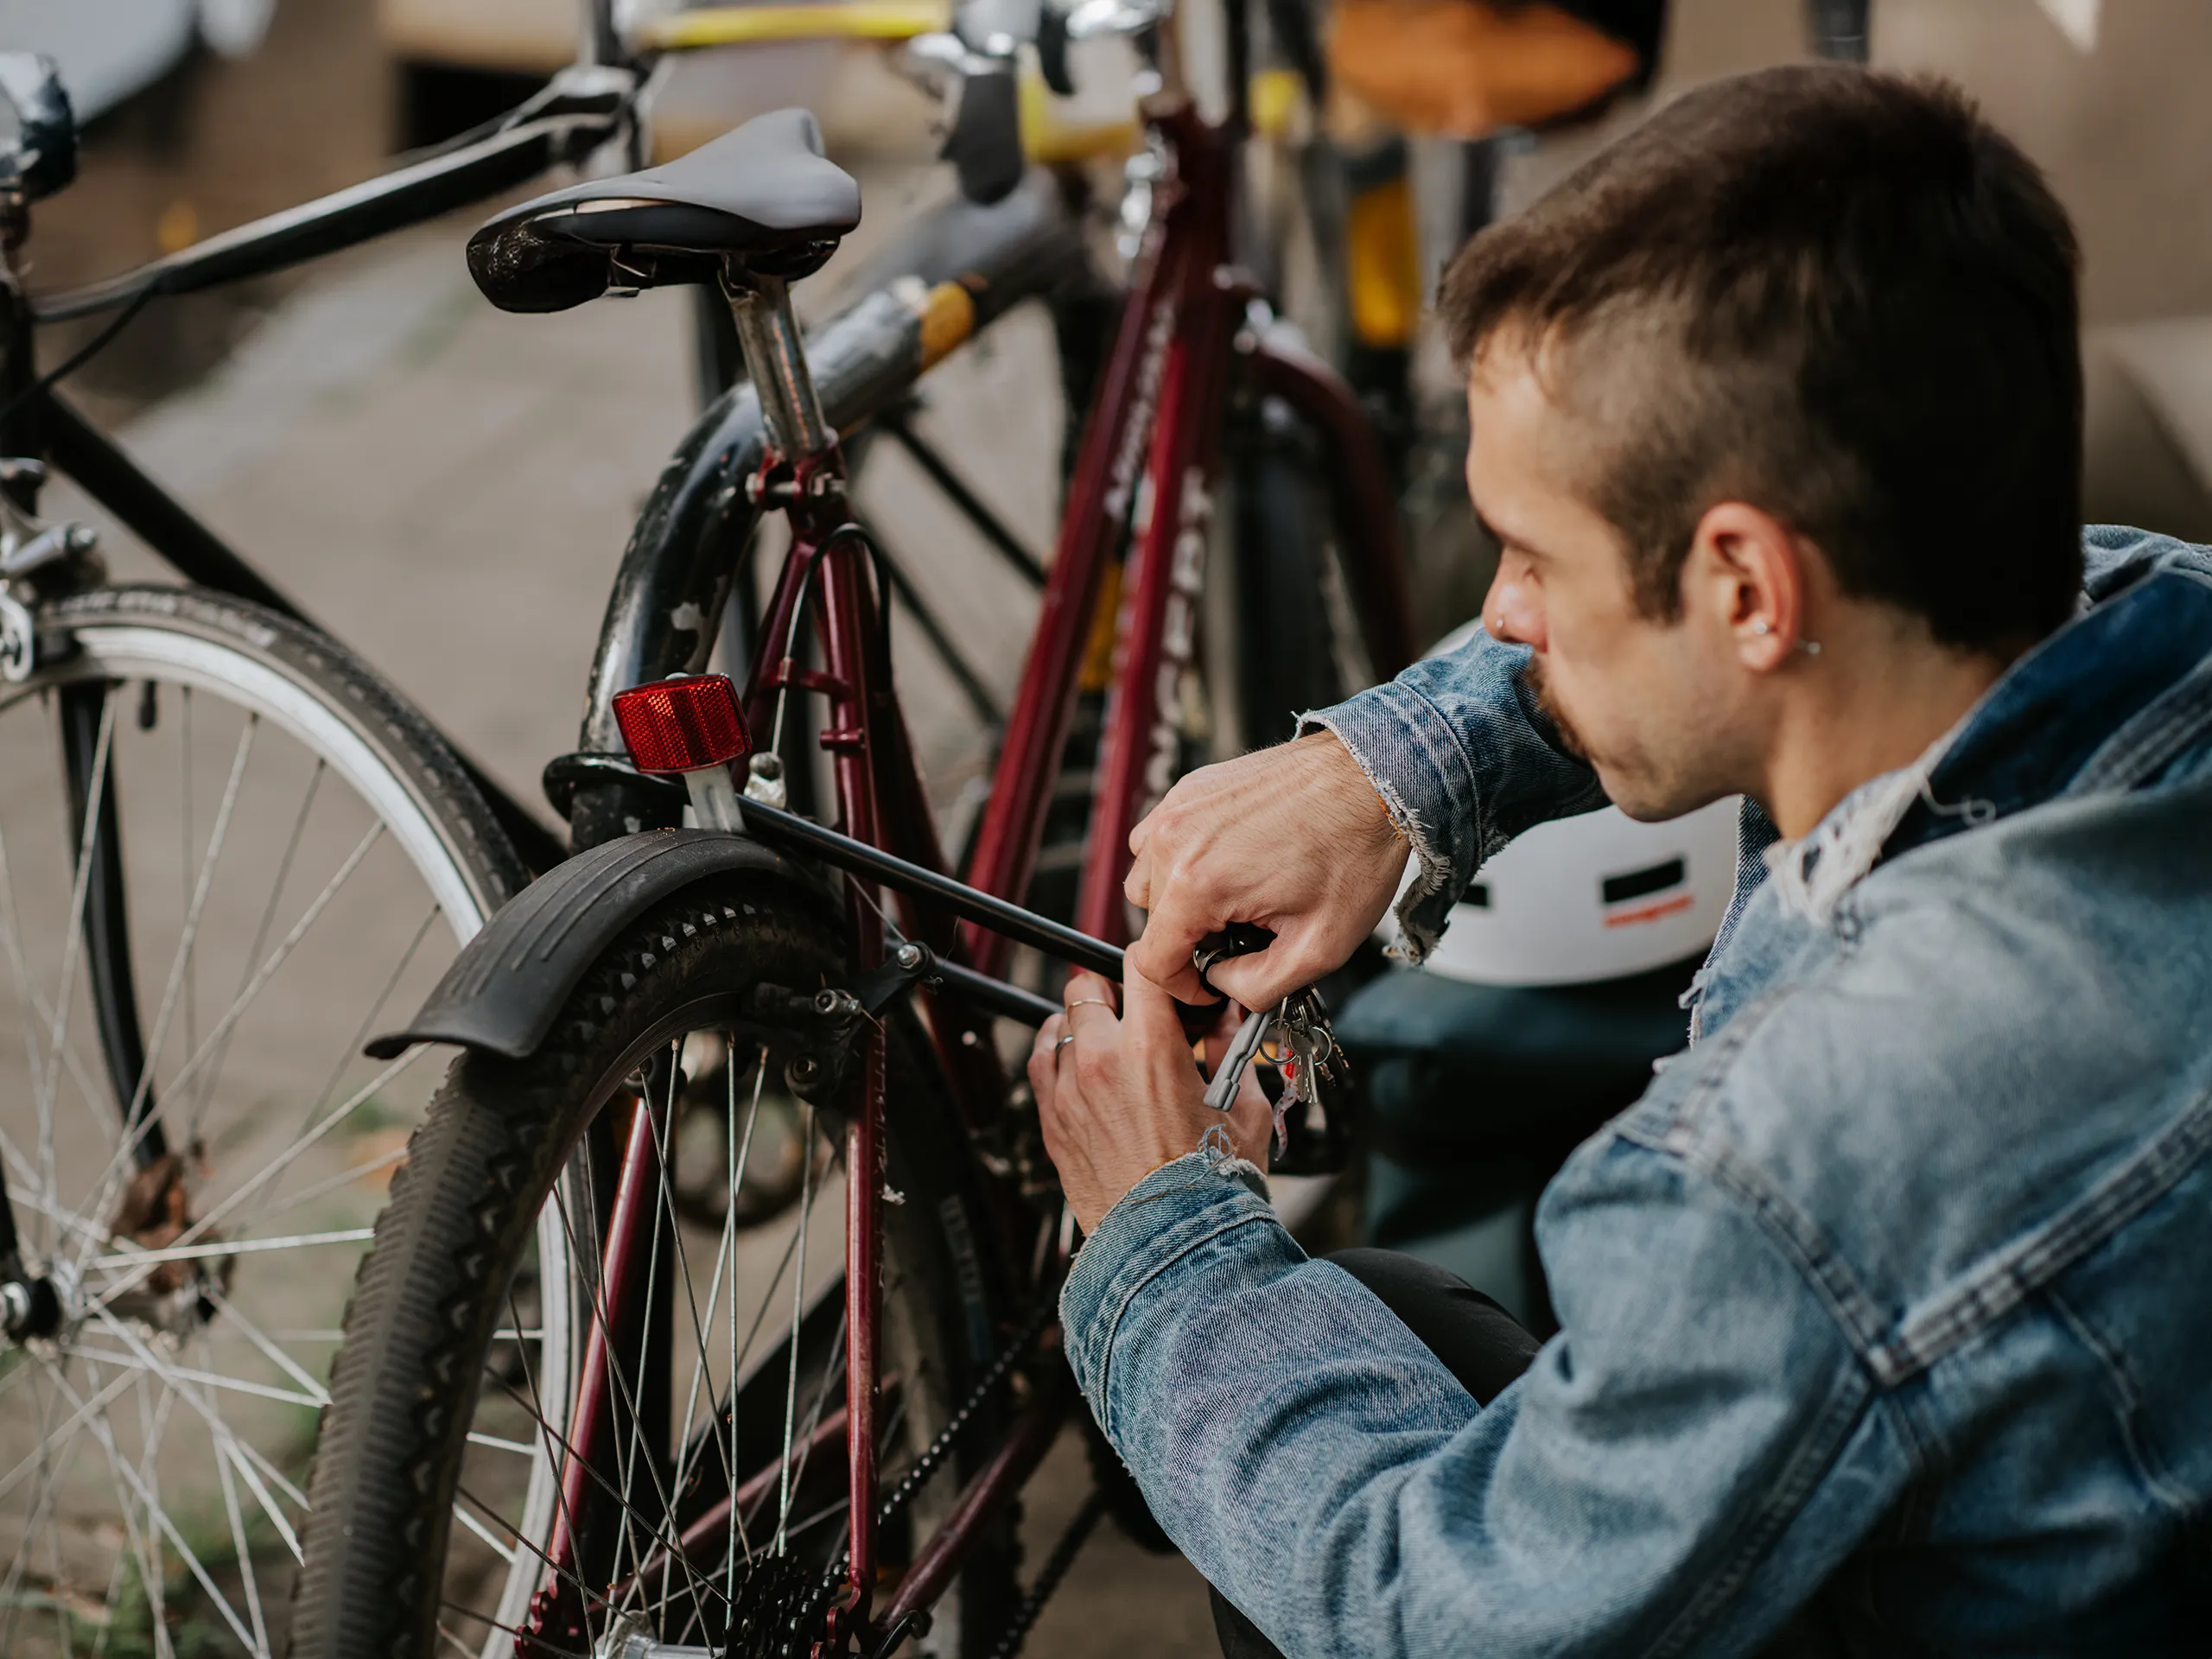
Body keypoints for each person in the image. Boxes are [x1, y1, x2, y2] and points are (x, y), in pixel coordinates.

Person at [1027, 63, 2212, 1656]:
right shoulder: (2161, 644)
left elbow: (1430, 1612)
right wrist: (1386, 778)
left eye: (1531, 554)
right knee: (1388, 1319)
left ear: (1744, 586)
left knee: (1313, 1435)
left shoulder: (1799, 1155)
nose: (1500, 616)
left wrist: (1166, 1233)